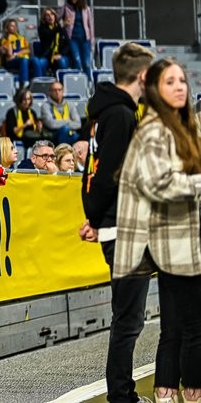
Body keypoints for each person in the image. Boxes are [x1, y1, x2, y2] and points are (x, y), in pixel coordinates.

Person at [114, 59, 201, 403]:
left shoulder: (185, 127)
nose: (180, 86)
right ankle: (189, 394)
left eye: (182, 80)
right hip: (171, 238)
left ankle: (166, 392)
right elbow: (158, 185)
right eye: (170, 81)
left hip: (186, 236)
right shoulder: (153, 130)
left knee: (178, 326)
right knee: (192, 328)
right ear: (154, 89)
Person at [79, 41, 155, 403]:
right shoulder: (121, 115)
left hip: (116, 223)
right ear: (142, 75)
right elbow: (107, 172)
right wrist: (96, 216)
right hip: (124, 227)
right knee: (128, 319)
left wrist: (93, 216)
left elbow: (90, 172)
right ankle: (121, 396)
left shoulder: (107, 111)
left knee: (129, 317)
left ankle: (122, 394)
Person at [59, 0, 95, 79]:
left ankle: (88, 81)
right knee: (77, 60)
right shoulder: (66, 7)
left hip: (84, 39)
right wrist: (63, 23)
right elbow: (56, 19)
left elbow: (90, 26)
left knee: (86, 63)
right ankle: (78, 80)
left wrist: (92, 41)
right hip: (72, 38)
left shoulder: (86, 9)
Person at [0, 18, 43, 87]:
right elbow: (10, 54)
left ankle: (39, 82)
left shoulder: (21, 38)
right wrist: (9, 40)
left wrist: (16, 54)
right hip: (11, 62)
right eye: (11, 26)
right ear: (7, 28)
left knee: (35, 59)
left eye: (15, 26)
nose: (14, 28)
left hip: (23, 59)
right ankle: (24, 82)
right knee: (24, 60)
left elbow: (28, 50)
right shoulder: (4, 40)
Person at [41, 80, 81, 145]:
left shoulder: (70, 104)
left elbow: (78, 124)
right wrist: (67, 121)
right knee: (65, 129)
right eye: (54, 90)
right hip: (54, 136)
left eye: (59, 90)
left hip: (71, 133)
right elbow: (51, 124)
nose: (57, 92)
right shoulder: (45, 106)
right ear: (50, 92)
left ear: (63, 91)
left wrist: (62, 123)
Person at [36, 6, 70, 73]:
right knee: (40, 63)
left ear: (54, 16)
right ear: (44, 18)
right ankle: (42, 82)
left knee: (62, 61)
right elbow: (50, 34)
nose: (50, 17)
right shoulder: (42, 28)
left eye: (52, 14)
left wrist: (61, 54)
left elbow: (68, 44)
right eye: (47, 15)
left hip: (60, 54)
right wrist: (61, 25)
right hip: (48, 56)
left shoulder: (61, 29)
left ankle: (62, 82)